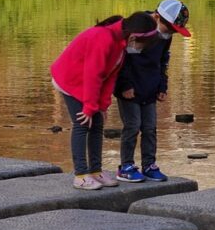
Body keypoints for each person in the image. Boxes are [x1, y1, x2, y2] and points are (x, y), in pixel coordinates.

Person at [50, 12, 158, 190]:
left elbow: (109, 77)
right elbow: (93, 74)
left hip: (85, 82)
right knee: (82, 122)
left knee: (98, 123)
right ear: (133, 36)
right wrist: (89, 106)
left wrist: (102, 105)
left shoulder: (120, 44)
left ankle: (95, 170)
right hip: (70, 79)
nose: (140, 49)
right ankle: (81, 175)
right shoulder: (103, 39)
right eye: (141, 44)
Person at [114, 0, 191, 183]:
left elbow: (163, 60)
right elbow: (121, 61)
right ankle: (126, 166)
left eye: (174, 31)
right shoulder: (137, 28)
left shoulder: (166, 36)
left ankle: (149, 164)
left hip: (150, 87)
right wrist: (124, 86)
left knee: (150, 127)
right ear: (157, 17)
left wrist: (162, 86)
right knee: (132, 126)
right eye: (169, 28)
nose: (170, 33)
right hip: (129, 89)